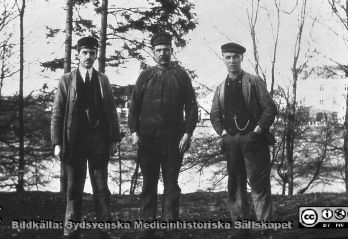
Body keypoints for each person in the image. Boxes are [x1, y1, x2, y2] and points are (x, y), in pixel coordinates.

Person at [128, 32, 198, 236]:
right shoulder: (146, 76)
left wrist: (187, 133)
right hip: (147, 139)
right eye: (158, 50)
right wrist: (134, 132)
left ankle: (170, 228)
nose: (162, 54)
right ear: (153, 52)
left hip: (174, 139)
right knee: (148, 182)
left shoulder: (181, 75)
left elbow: (191, 107)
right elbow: (134, 107)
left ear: (171, 50)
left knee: (171, 183)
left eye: (166, 50)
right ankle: (147, 228)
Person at [50, 36, 120, 239]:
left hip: (98, 141)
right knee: (74, 189)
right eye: (84, 53)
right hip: (75, 142)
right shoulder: (66, 80)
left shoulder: (102, 80)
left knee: (101, 188)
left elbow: (111, 111)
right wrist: (57, 142)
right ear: (77, 55)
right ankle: (71, 231)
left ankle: (105, 229)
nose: (88, 57)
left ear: (96, 55)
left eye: (92, 53)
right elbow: (57, 112)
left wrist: (114, 138)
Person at [210, 42, 277, 237]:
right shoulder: (220, 88)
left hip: (254, 141)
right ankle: (241, 227)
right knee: (235, 184)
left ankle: (266, 228)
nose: (232, 61)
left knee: (259, 184)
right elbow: (215, 115)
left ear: (241, 58)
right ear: (223, 58)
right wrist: (223, 134)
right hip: (231, 142)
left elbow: (270, 108)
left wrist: (257, 130)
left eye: (235, 57)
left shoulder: (253, 82)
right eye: (228, 57)